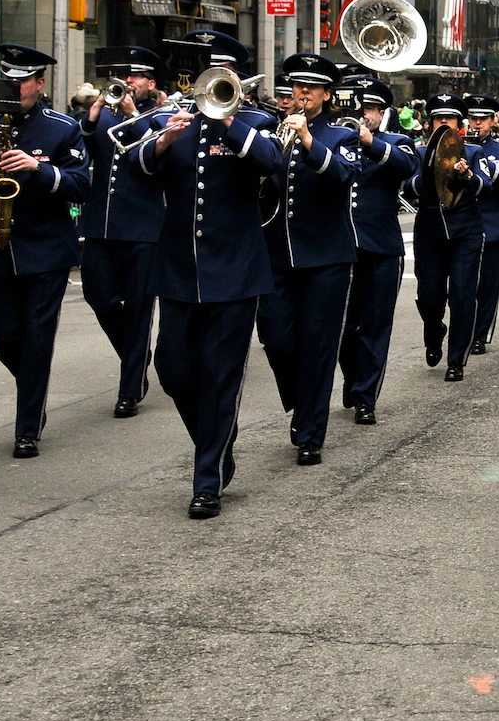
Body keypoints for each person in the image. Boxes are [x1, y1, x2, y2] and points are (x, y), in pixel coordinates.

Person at [134, 31, 283, 519]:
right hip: (179, 269)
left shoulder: (258, 121)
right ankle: (217, 439)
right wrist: (161, 144)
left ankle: (207, 479)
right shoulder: (169, 119)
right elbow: (131, 168)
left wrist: (231, 123)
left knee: (221, 377)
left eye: (226, 74)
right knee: (173, 370)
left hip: (236, 272)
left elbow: (272, 164)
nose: (218, 82)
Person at [0, 44, 88, 460]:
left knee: (37, 337)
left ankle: (27, 428)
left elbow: (80, 185)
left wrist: (38, 170)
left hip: (45, 250)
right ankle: (34, 389)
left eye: (23, 83)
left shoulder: (61, 128)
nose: (15, 90)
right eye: (9, 82)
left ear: (40, 83)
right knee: (5, 337)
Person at [256, 53, 361, 467]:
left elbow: (343, 175)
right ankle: (301, 402)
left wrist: (307, 140)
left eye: (311, 88)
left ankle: (311, 433)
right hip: (276, 254)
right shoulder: (268, 131)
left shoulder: (340, 135)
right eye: (298, 87)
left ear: (326, 95)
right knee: (277, 339)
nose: (302, 94)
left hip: (326, 258)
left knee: (318, 346)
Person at [81, 47, 168, 418]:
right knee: (99, 298)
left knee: (137, 311)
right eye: (124, 76)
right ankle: (136, 354)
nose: (128, 82)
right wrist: (93, 115)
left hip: (144, 229)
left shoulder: (162, 117)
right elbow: (77, 149)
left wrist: (134, 117)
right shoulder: (102, 116)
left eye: (136, 77)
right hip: (102, 225)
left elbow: (157, 158)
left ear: (150, 83)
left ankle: (130, 389)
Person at [338, 75, 419, 425]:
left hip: (382, 247)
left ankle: (366, 396)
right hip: (341, 245)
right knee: (345, 326)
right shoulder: (339, 137)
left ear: (384, 112)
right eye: (361, 108)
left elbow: (407, 168)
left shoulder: (398, 141)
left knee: (374, 325)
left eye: (370, 108)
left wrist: (371, 142)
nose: (364, 114)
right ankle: (352, 377)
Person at [411, 95, 492, 382]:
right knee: (430, 296)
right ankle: (434, 332)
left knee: (462, 295)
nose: (443, 122)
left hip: (466, 231)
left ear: (460, 123)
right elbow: (410, 187)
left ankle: (456, 359)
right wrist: (430, 171)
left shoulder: (473, 151)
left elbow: (487, 186)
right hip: (430, 232)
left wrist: (467, 175)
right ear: (429, 122)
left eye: (450, 118)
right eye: (437, 118)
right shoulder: (419, 152)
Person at [465, 95, 499, 355]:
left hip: (492, 225)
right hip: (461, 224)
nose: (477, 123)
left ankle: (480, 334)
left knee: (488, 286)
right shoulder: (455, 145)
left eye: (482, 119)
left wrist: (483, 159)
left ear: (493, 121)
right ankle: (463, 330)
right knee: (461, 287)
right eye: (473, 118)